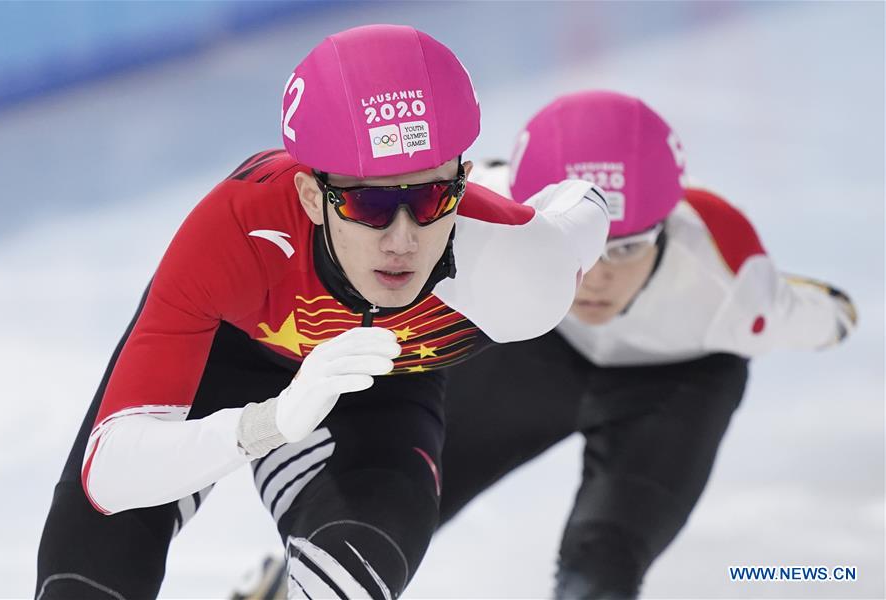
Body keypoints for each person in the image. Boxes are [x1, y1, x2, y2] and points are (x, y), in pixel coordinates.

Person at [35, 27, 610, 600]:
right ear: (312, 196)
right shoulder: (237, 230)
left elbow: (587, 210)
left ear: (460, 185)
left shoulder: (518, 269)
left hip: (378, 388)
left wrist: (509, 188)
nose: (403, 240)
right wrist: (269, 423)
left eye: (432, 198)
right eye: (370, 203)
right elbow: (110, 475)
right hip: (224, 359)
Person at [436, 90, 858, 598]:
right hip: (538, 347)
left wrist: (831, 316)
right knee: (396, 500)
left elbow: (833, 314)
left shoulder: (736, 286)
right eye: (581, 244)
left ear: (666, 230)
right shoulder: (476, 213)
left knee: (600, 569)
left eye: (627, 248)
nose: (597, 277)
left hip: (674, 381)